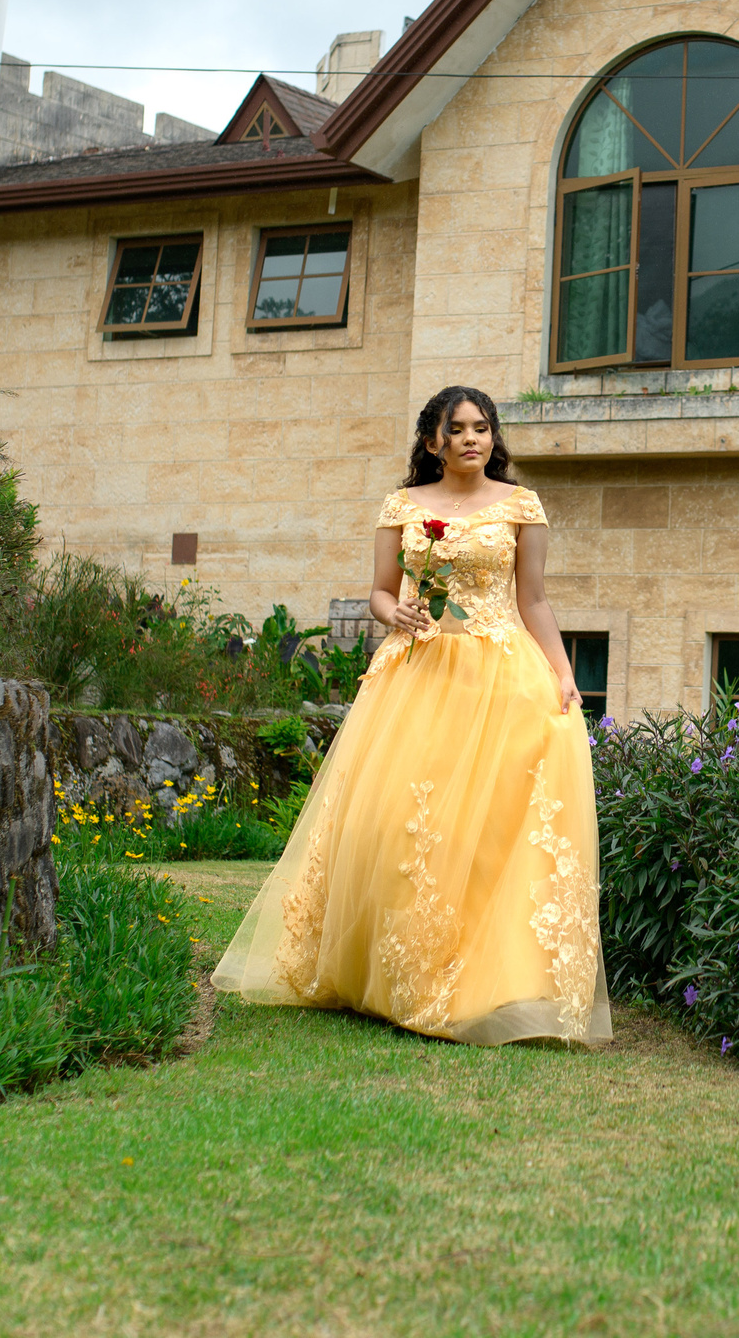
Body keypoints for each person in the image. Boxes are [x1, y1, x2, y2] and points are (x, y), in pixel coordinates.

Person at [212, 385, 611, 1046]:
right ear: (433, 441)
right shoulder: (404, 506)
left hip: (502, 677)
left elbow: (534, 600)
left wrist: (564, 674)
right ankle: (391, 972)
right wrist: (391, 611)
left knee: (486, 834)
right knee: (401, 827)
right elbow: (379, 590)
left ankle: (493, 985)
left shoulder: (522, 507)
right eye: (457, 430)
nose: (472, 440)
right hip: (418, 677)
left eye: (482, 428)